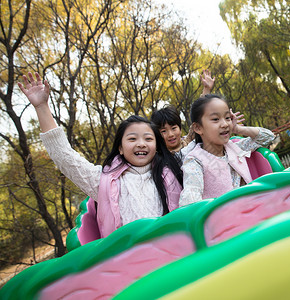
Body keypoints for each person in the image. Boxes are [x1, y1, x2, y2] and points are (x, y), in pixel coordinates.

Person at [18, 72, 183, 238]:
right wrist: (41, 107)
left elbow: (204, 142)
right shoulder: (103, 181)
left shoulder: (173, 170)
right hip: (127, 259)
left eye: (148, 138)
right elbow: (65, 158)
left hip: (175, 254)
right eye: (132, 138)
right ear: (120, 147)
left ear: (156, 146)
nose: (141, 143)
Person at [179, 94, 275, 207]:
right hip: (224, 220)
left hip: (252, 208)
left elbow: (268, 136)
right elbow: (190, 203)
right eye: (215, 119)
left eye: (227, 117)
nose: (224, 124)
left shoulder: (235, 148)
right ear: (198, 128)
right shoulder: (195, 162)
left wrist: (238, 129)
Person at [151, 69, 216, 162]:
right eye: (163, 131)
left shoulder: (189, 143)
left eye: (173, 128)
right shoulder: (158, 156)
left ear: (180, 128)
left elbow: (199, 116)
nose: (171, 134)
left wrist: (207, 89)